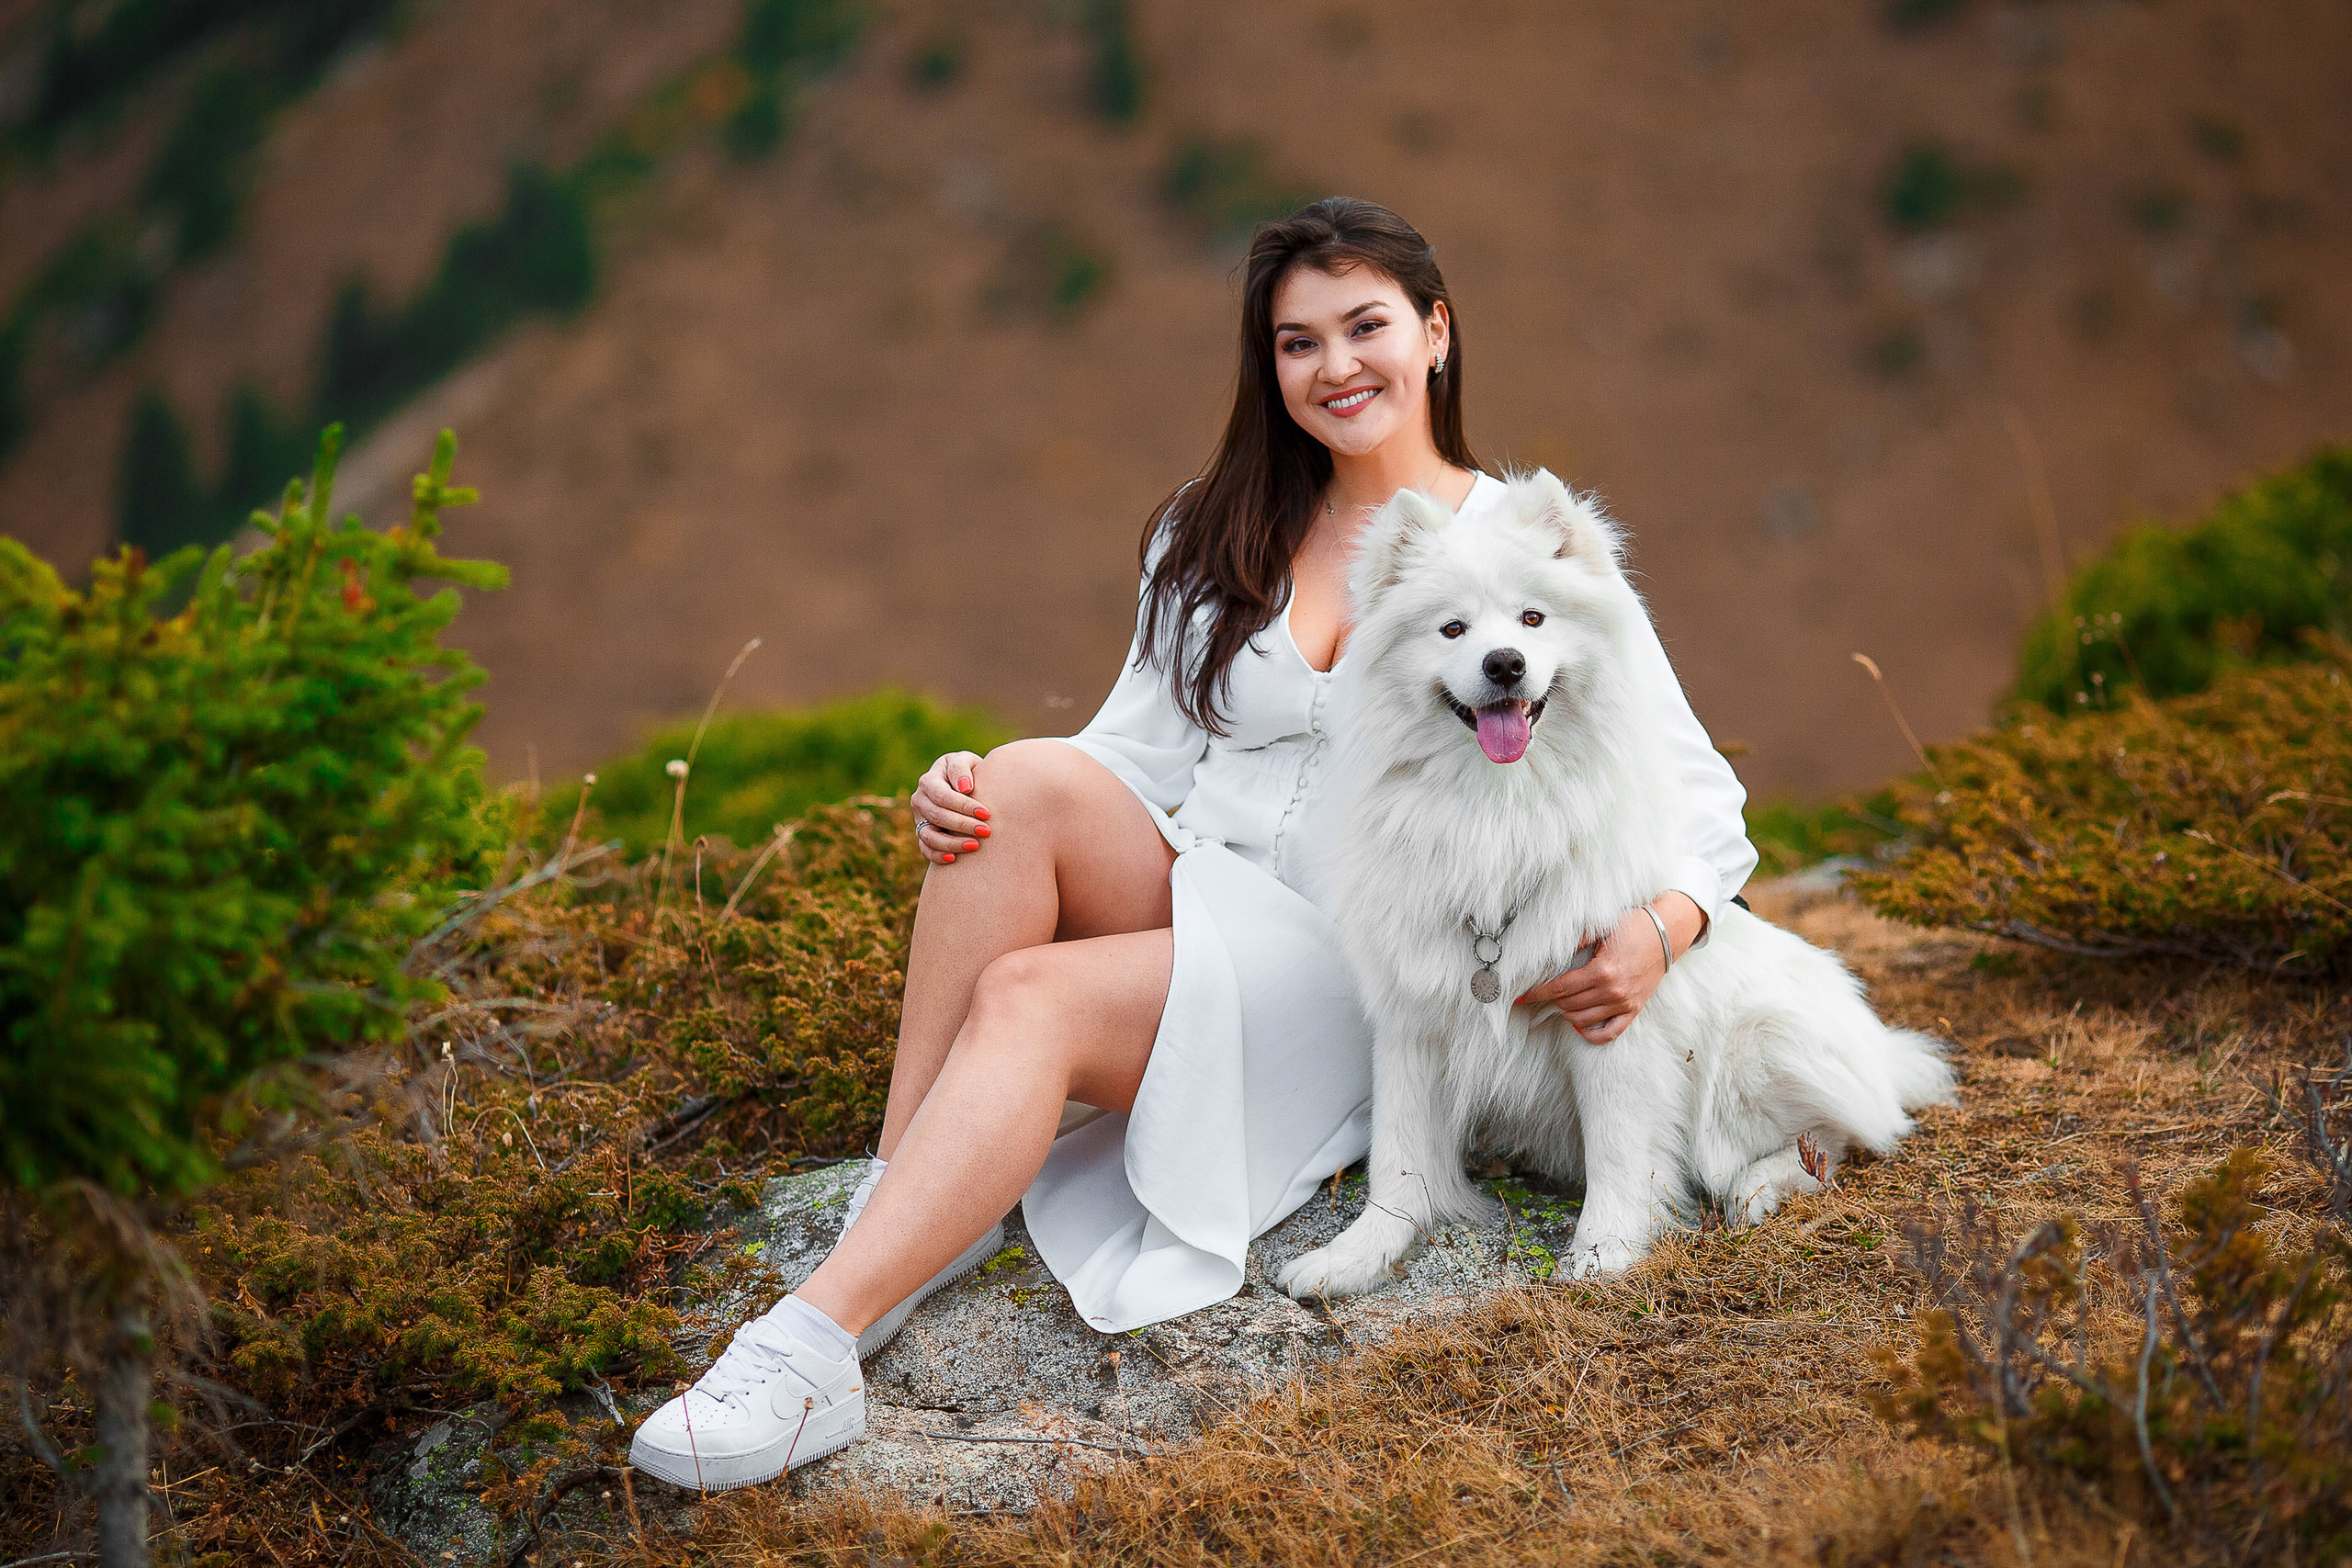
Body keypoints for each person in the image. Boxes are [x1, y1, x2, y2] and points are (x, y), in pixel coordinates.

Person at [628, 197, 1758, 1490]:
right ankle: (900, 1201)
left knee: (1033, 995)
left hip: (1367, 968)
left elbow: (1701, 798)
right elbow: (1131, 754)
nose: (1336, 367)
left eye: (1367, 327)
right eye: (1297, 342)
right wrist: (965, 788)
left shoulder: (1530, 553)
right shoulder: (1213, 529)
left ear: (1436, 334)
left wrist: (1660, 930)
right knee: (1016, 785)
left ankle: (808, 1351)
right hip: (1206, 900)